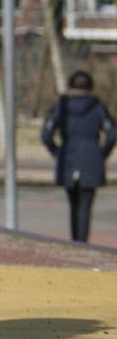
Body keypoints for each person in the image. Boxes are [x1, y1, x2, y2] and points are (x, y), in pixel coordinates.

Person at [42, 69, 117, 243]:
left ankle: (75, 242)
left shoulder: (62, 106)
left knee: (73, 205)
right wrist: (101, 153)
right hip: (91, 158)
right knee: (85, 206)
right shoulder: (98, 106)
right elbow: (112, 134)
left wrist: (57, 152)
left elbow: (46, 134)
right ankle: (82, 242)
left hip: (68, 157)